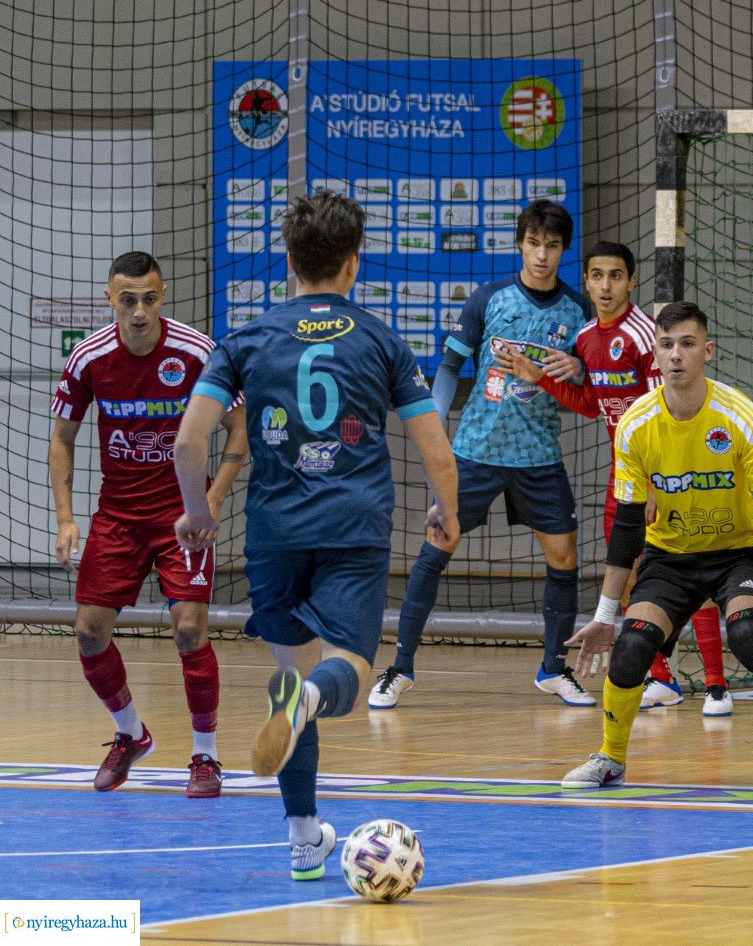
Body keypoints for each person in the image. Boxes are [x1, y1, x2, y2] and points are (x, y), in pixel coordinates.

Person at [172, 191, 460, 880]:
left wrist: (198, 512)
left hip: (273, 532)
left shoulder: (245, 340)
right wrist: (444, 508)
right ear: (353, 264)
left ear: (290, 260)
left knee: (291, 670)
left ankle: (304, 840)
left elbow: (189, 442)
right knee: (345, 679)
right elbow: (435, 447)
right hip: (353, 527)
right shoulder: (382, 340)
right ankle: (303, 701)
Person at [561, 302, 753, 791]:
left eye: (688, 344)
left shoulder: (740, 418)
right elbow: (628, 529)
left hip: (737, 553)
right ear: (655, 354)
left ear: (708, 351)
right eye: (666, 344)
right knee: (632, 646)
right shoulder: (635, 425)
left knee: (748, 635)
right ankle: (610, 757)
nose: (676, 354)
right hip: (669, 558)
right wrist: (605, 614)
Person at [484, 241, 734, 717]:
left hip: (669, 469)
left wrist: (662, 481)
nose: (604, 285)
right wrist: (541, 378)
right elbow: (591, 405)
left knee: (688, 571)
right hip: (623, 476)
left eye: (615, 276)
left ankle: (717, 685)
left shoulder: (644, 335)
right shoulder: (584, 339)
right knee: (636, 577)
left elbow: (669, 408)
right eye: (596, 276)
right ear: (587, 282)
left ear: (631, 281)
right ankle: (662, 676)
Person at [367, 200, 592, 709]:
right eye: (534, 243)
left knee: (564, 557)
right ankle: (400, 668)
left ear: (563, 250)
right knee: (436, 546)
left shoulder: (576, 312)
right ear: (519, 243)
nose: (542, 255)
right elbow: (448, 368)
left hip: (539, 456)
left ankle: (553, 670)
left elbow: (586, 386)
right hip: (475, 452)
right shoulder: (489, 298)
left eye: (552, 246)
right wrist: (437, 435)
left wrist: (574, 371)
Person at [49, 252, 248, 797]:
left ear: (164, 296)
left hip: (181, 515)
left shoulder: (195, 351)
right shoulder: (89, 357)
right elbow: (62, 438)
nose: (139, 312)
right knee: (89, 635)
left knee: (189, 629)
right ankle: (130, 734)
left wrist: (209, 500)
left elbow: (239, 429)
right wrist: (66, 519)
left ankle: (205, 756)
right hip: (117, 516)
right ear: (110, 299)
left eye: (150, 299)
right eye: (128, 300)